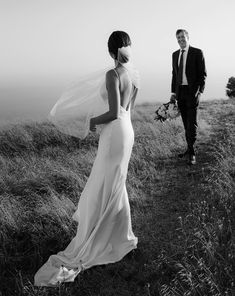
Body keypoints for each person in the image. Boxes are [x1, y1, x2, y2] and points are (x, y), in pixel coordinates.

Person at [34, 31, 139, 286]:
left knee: (104, 182)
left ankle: (99, 237)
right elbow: (127, 111)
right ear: (126, 48)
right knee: (115, 183)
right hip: (127, 131)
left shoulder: (112, 74)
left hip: (114, 133)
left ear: (110, 51)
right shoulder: (134, 76)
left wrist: (93, 121)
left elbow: (113, 112)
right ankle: (120, 235)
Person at [170, 29, 207, 165]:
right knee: (186, 123)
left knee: (192, 123)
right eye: (178, 37)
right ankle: (189, 148)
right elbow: (174, 74)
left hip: (193, 93)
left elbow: (202, 74)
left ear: (188, 37)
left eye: (182, 37)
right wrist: (173, 93)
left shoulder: (197, 52)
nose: (180, 39)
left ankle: (192, 153)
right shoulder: (175, 55)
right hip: (180, 93)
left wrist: (199, 92)